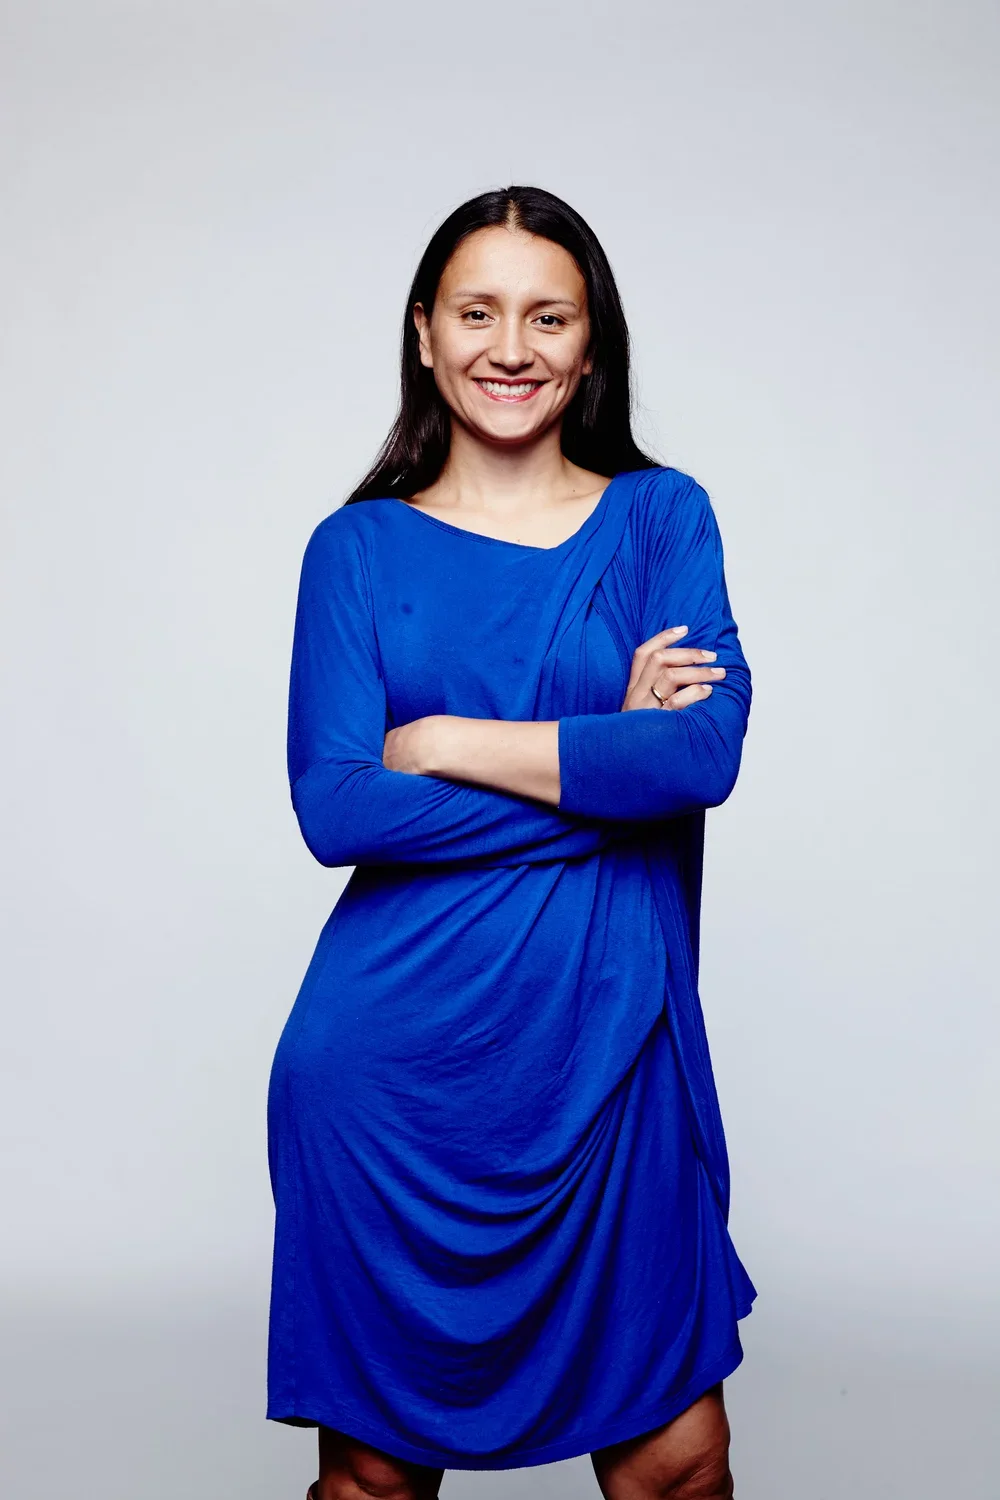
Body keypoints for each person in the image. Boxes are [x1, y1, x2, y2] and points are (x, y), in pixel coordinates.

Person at [266, 185, 756, 1500]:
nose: (513, 345)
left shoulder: (663, 520)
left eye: (549, 315)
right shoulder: (356, 550)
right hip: (393, 1081)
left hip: (611, 1059)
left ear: (591, 344)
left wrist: (447, 740)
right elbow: (338, 808)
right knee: (372, 1481)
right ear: (424, 334)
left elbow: (699, 758)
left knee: (675, 1464)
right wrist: (604, 754)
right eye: (478, 311)